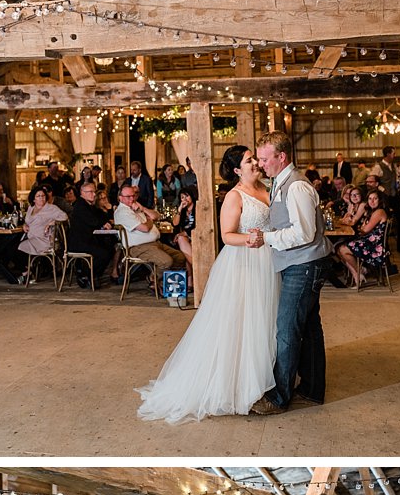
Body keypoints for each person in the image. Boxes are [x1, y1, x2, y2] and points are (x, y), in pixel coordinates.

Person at [137, 146, 279, 424]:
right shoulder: (234, 197)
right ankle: (243, 387)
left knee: (266, 320)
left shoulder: (267, 187)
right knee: (243, 323)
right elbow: (227, 236)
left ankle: (268, 379)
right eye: (249, 161)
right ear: (237, 170)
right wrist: (249, 239)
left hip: (269, 260)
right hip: (244, 263)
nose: (255, 163)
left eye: (254, 159)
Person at [248, 131, 332, 414]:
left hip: (305, 264)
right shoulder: (280, 183)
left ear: (281, 157)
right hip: (300, 263)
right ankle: (311, 388)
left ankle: (278, 397)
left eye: (264, 158)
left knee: (286, 330)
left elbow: (305, 233)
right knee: (308, 328)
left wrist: (268, 238)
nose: (260, 164)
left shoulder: (296, 187)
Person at [114, 184, 188, 278]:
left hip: (154, 243)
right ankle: (153, 280)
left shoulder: (136, 206)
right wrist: (150, 220)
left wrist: (143, 209)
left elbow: (157, 216)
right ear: (120, 198)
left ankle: (163, 281)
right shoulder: (122, 212)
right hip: (138, 247)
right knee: (166, 261)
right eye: (128, 196)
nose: (132, 199)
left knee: (180, 257)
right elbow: (145, 228)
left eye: (133, 195)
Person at [337, 188, 389, 287]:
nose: (372, 201)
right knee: (339, 249)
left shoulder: (379, 212)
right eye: (370, 199)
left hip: (374, 246)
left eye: (375, 199)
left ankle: (360, 271)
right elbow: (362, 228)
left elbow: (364, 230)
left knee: (343, 249)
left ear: (380, 200)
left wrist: (362, 227)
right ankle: (359, 273)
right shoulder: (372, 211)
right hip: (368, 241)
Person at [69, 180, 116, 287]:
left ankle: (92, 275)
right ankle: (86, 275)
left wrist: (108, 214)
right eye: (90, 192)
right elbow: (93, 221)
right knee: (104, 253)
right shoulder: (80, 205)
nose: (94, 194)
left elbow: (100, 217)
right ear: (82, 193)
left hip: (88, 239)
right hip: (79, 242)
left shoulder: (88, 205)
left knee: (110, 249)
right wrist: (105, 223)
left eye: (94, 192)